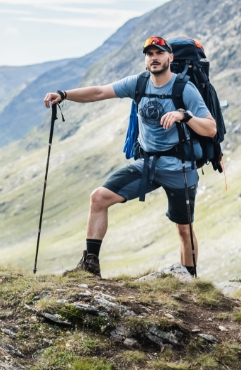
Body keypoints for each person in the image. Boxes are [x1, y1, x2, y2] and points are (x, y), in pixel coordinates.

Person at [43, 36, 217, 278]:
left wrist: (184, 116)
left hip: (180, 168)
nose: (154, 58)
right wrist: (64, 94)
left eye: (159, 53)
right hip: (147, 164)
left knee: (184, 230)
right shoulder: (139, 83)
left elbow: (211, 128)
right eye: (149, 54)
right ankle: (90, 265)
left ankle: (190, 280)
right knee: (99, 198)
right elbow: (99, 92)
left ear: (170, 57)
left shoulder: (184, 88)